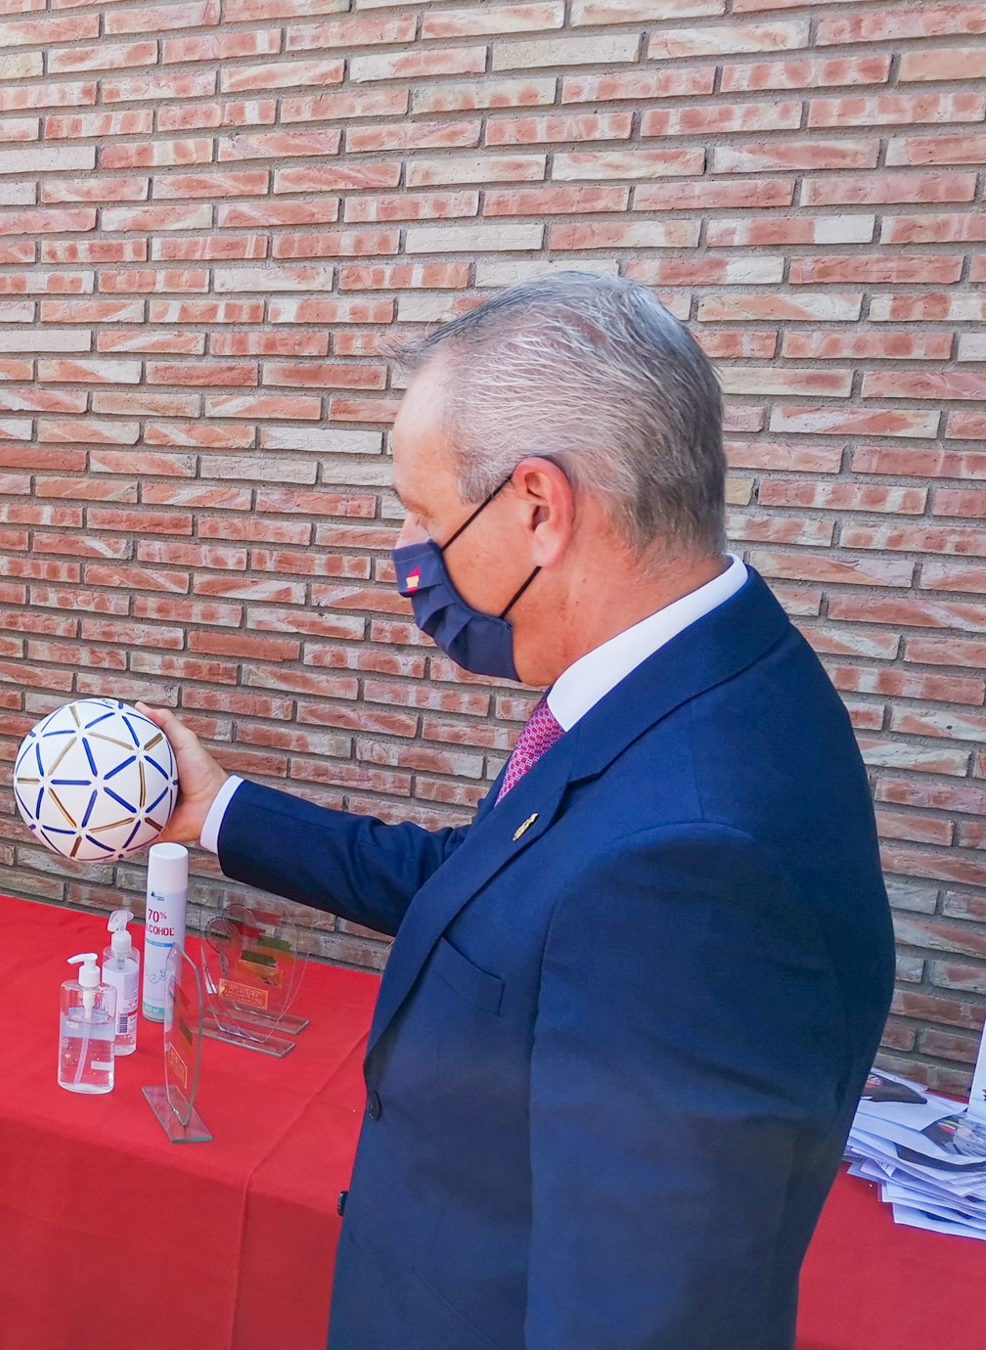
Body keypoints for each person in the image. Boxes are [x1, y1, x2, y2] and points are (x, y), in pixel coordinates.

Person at [143, 272, 895, 1350]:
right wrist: (219, 809)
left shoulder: (694, 863)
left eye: (424, 514)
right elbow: (496, 891)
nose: (410, 557)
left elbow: (640, 1319)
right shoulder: (688, 678)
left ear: (540, 507)